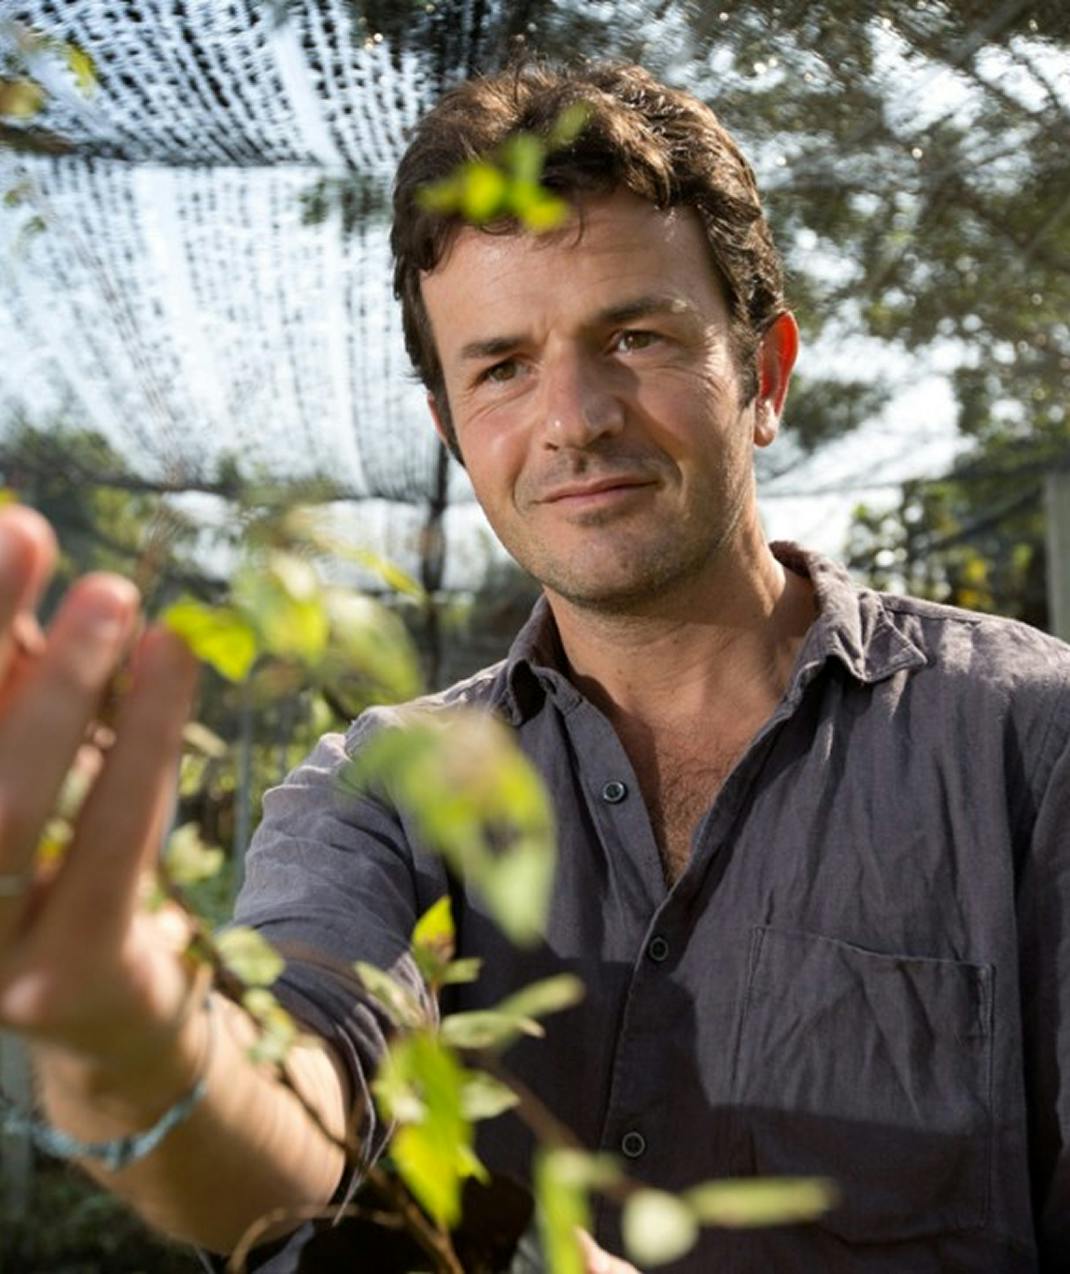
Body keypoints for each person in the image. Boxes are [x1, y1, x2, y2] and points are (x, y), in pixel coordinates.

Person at [0, 59, 1067, 1274]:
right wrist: (133, 1036)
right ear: (453, 431)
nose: (573, 418)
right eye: (501, 365)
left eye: (633, 335)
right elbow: (300, 1097)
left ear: (762, 375)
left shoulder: (1026, 743)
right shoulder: (382, 789)